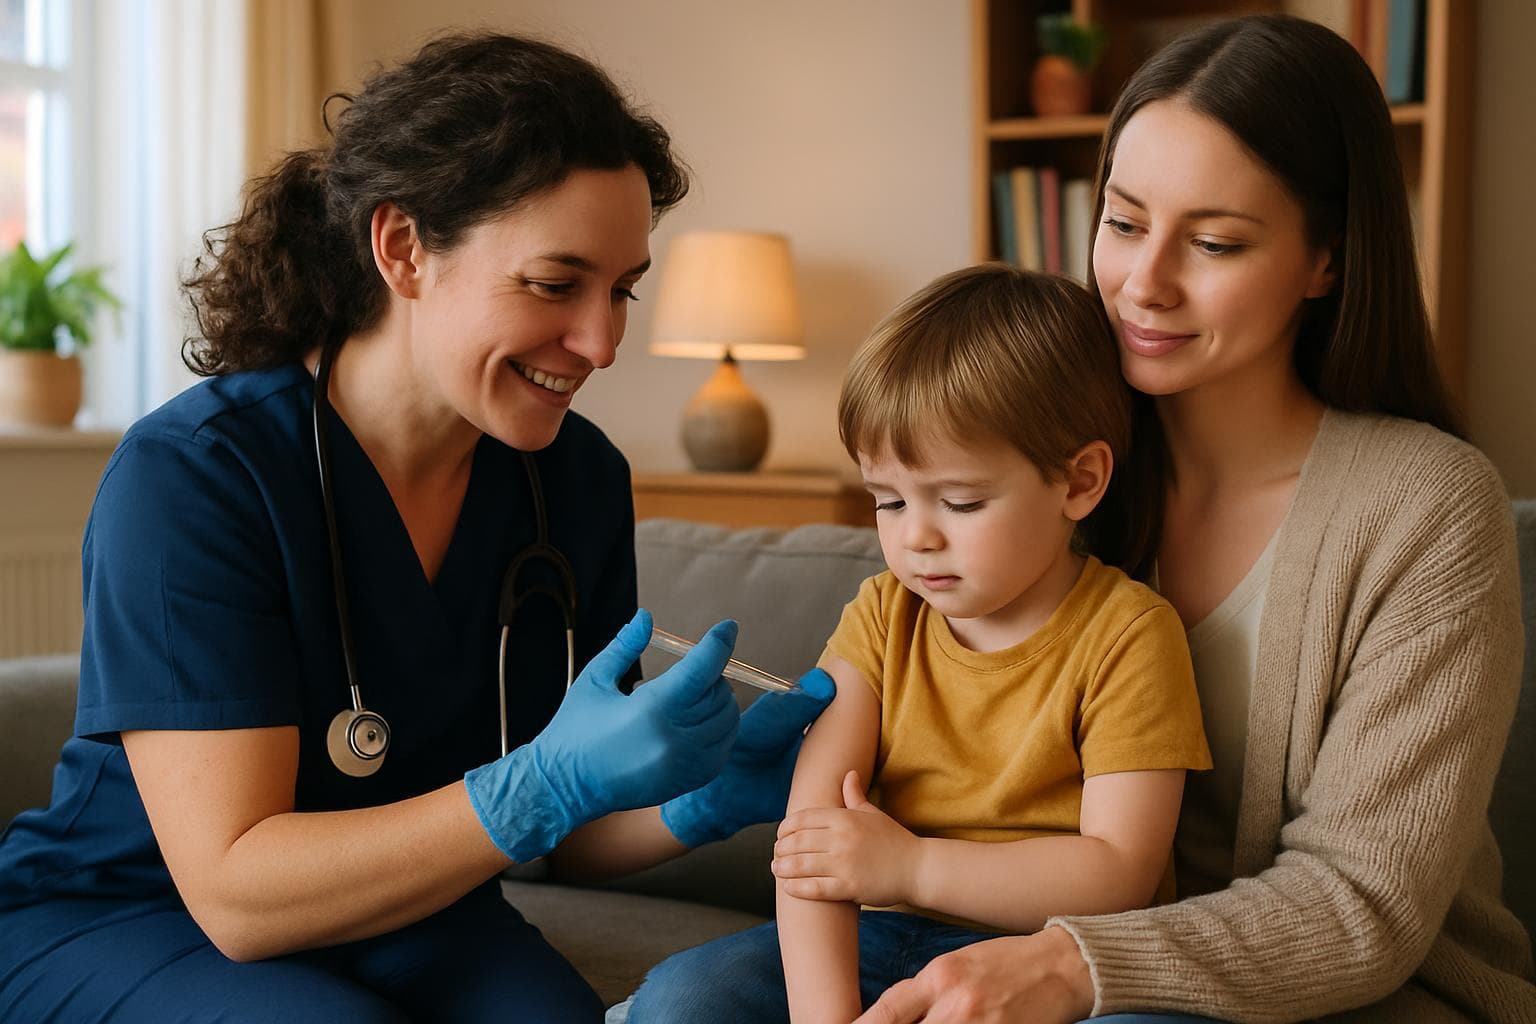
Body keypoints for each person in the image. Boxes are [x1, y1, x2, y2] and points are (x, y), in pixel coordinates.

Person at [0, 31, 832, 1023]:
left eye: (622, 291)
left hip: (412, 912)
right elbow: (235, 894)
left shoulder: (574, 480)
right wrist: (543, 782)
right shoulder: (201, 476)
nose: (603, 343)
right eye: (557, 284)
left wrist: (703, 797)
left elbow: (569, 831)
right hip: (135, 914)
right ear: (401, 248)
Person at [839, 14, 1535, 1023]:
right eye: (1122, 223)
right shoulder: (1050, 473)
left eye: (1213, 242)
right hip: (1019, 942)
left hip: (1358, 990)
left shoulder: (1426, 509)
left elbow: (1364, 905)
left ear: (1325, 263)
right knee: (697, 998)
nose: (1144, 284)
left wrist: (1073, 964)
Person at [624, 266, 1213, 1023]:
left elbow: (1119, 871)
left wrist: (913, 864)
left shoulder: (1129, 633)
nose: (917, 537)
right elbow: (812, 847)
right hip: (885, 939)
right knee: (683, 999)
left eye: (961, 501)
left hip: (1057, 957)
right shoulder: (880, 614)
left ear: (1080, 481)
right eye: (890, 501)